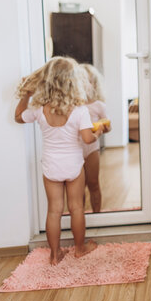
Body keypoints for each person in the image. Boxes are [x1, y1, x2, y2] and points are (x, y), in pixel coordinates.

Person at [15, 57, 102, 265]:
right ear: (74, 83)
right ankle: (80, 248)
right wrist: (97, 132)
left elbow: (18, 117)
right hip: (73, 165)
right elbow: (88, 138)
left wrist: (26, 94)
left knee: (54, 210)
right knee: (76, 208)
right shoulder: (80, 110)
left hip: (51, 165)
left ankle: (54, 255)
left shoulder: (39, 109)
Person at [80, 63, 110, 213]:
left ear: (94, 84)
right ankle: (80, 217)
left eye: (88, 81)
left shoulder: (98, 105)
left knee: (93, 183)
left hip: (92, 149)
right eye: (81, 80)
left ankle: (97, 215)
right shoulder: (73, 105)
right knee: (78, 188)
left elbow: (107, 126)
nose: (84, 84)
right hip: (76, 149)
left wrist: (104, 128)